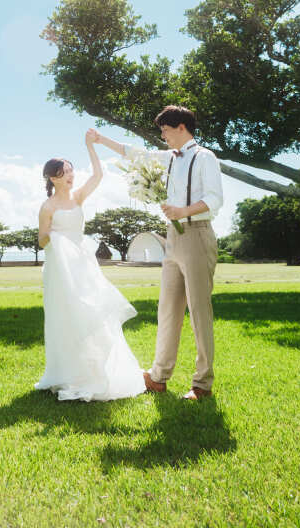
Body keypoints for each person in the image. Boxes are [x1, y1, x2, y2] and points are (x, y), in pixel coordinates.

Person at [90, 105, 223, 400]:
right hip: (172, 239)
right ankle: (159, 376)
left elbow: (215, 199)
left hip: (197, 234)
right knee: (168, 310)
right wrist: (101, 140)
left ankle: (202, 384)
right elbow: (135, 153)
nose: (162, 136)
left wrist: (183, 211)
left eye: (165, 130)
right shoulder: (169, 158)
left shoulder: (205, 157)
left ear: (181, 127)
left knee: (199, 312)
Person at [35, 130, 147, 402]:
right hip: (60, 270)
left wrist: (90, 146)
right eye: (63, 172)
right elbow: (41, 240)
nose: (70, 176)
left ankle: (97, 370)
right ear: (52, 178)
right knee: (65, 318)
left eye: (71, 170)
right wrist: (58, 240)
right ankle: (68, 373)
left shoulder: (78, 197)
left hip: (83, 266)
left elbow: (98, 175)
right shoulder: (47, 207)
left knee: (92, 313)